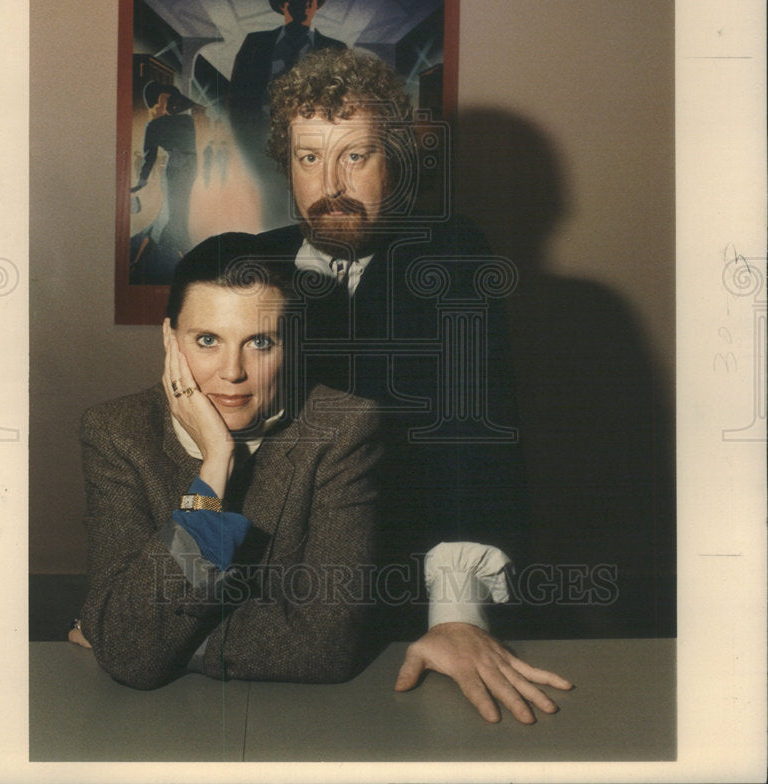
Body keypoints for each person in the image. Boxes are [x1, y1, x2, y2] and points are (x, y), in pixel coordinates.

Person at [256, 47, 572, 723]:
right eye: (309, 157)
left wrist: (457, 616)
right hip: (254, 597)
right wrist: (155, 592)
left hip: (403, 609)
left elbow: (470, 431)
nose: (330, 182)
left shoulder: (449, 254)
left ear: (396, 163)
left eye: (356, 155)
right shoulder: (237, 265)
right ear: (285, 164)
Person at [69, 233, 382, 688]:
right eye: (208, 340)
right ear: (170, 338)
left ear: (291, 344)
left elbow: (328, 646)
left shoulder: (343, 431)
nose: (232, 372)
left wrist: (162, 644)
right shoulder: (117, 433)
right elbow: (126, 640)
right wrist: (214, 466)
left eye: (259, 343)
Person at [227, 0, 346, 130]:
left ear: (317, 2)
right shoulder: (255, 44)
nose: (305, 3)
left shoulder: (336, 49)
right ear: (282, 2)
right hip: (260, 136)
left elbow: (342, 100)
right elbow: (236, 97)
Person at [129, 80, 198, 282]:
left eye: (170, 101)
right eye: (162, 101)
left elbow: (151, 157)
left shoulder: (182, 122)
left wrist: (141, 183)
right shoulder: (156, 126)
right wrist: (140, 183)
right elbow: (149, 158)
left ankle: (138, 264)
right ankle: (192, 267)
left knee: (172, 218)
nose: (168, 105)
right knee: (172, 218)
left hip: (184, 173)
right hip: (176, 174)